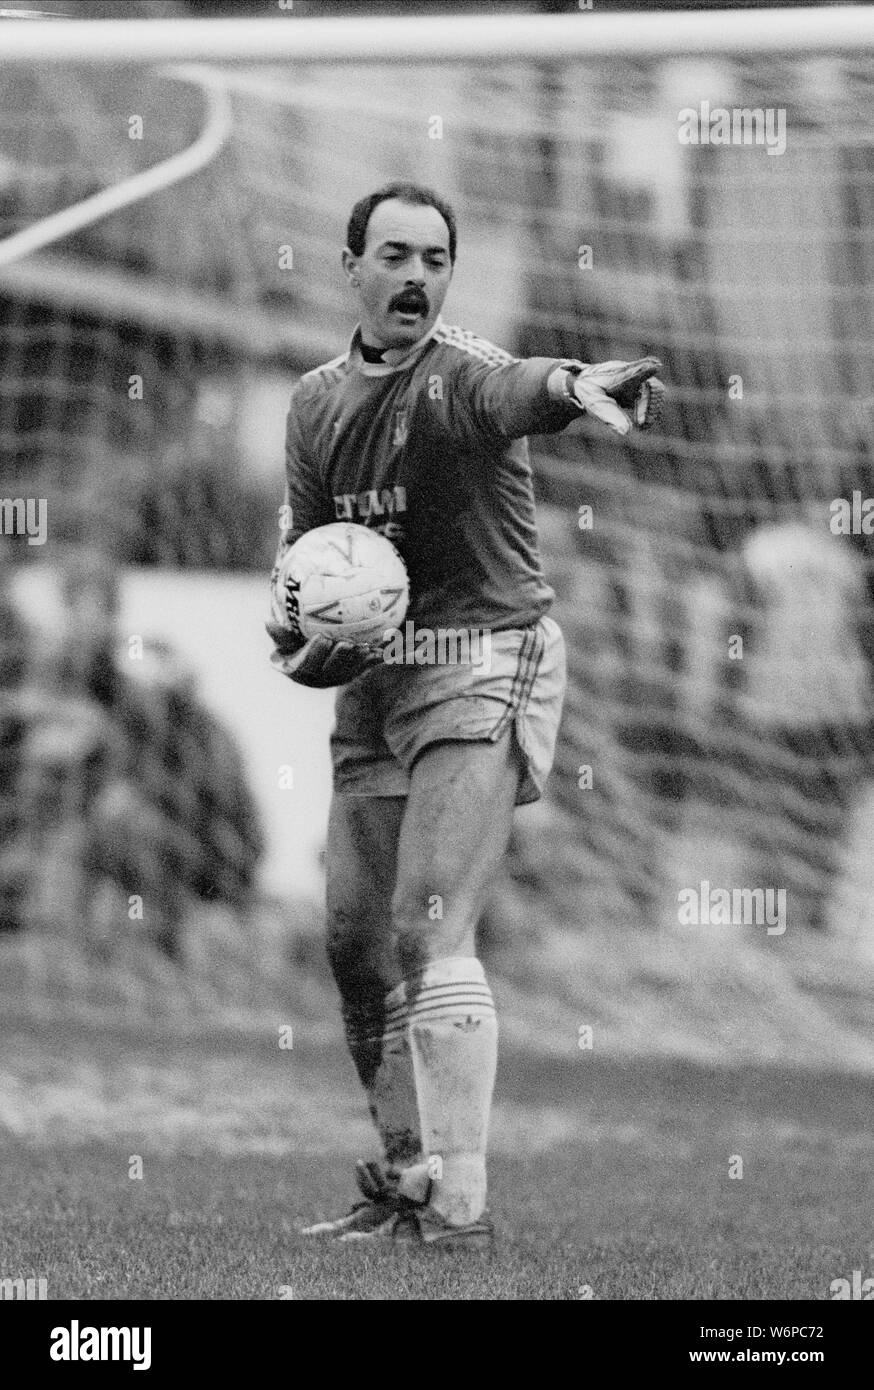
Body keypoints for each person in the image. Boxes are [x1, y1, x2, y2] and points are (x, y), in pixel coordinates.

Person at [266, 181, 663, 1249]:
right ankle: (403, 1177)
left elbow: (524, 390)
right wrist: (296, 632)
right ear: (350, 266)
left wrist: (580, 384)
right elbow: (305, 564)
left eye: (435, 259)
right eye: (393, 255)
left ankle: (463, 1204)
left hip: (485, 654)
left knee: (427, 922)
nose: (416, 277)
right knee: (356, 942)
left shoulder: (462, 379)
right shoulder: (312, 404)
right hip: (380, 678)